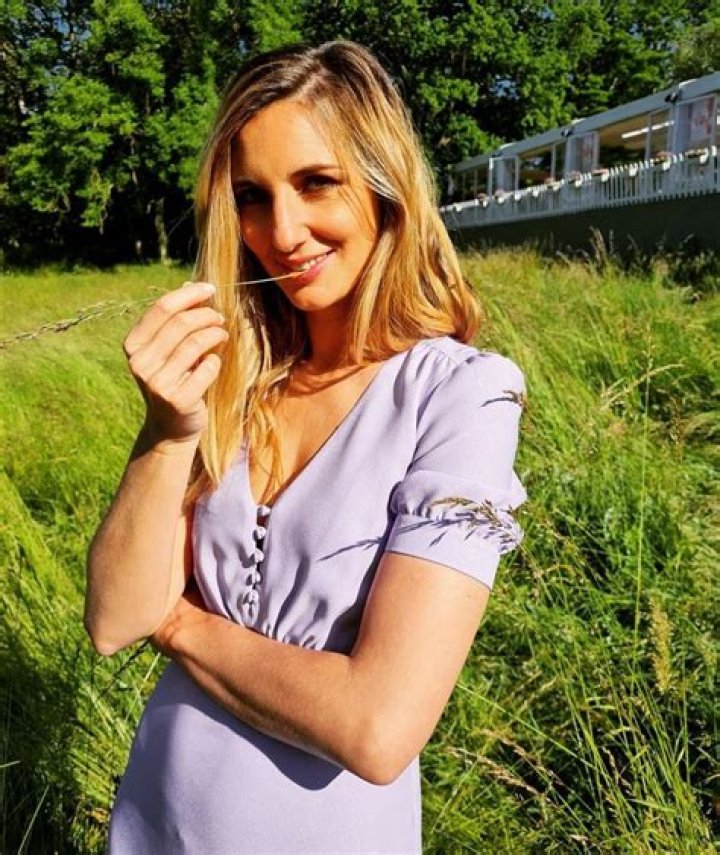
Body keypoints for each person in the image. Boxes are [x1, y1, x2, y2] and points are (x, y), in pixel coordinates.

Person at [84, 40, 527, 855]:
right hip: (156, 819)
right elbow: (114, 618)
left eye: (316, 182)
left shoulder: (462, 394)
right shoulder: (236, 380)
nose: (281, 233)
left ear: (384, 187)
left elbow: (377, 726)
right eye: (252, 197)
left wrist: (179, 626)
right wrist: (167, 432)